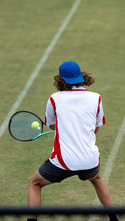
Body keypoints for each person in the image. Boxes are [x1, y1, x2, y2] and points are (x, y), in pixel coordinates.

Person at [27, 61, 119, 221]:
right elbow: (95, 128)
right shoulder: (96, 98)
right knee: (96, 179)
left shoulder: (54, 98)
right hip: (89, 160)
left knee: (35, 183)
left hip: (63, 161)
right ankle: (114, 219)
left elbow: (52, 125)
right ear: (81, 77)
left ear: (60, 79)